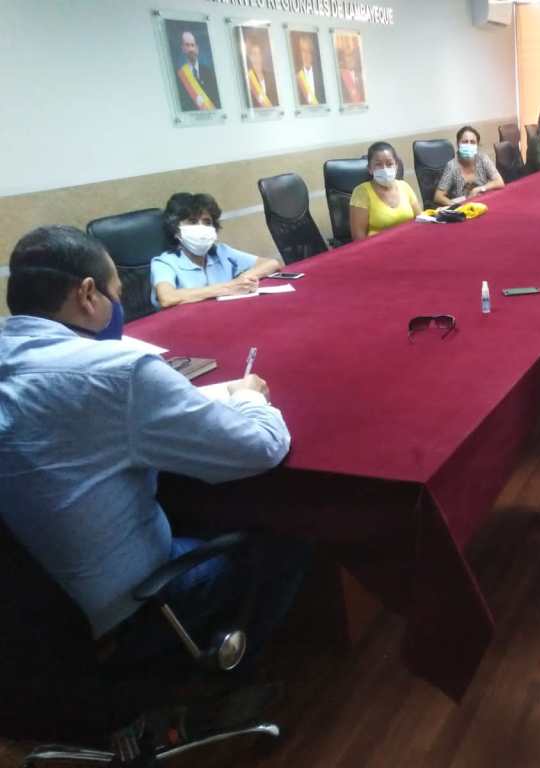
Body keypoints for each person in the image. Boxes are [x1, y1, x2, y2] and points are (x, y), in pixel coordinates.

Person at [0, 225, 308, 665]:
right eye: (115, 293)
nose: (119, 305)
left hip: (37, 616)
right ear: (87, 294)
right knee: (292, 532)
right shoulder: (118, 371)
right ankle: (229, 675)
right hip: (134, 606)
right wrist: (248, 397)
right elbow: (261, 447)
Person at [151, 193, 281, 309]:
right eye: (192, 221)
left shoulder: (221, 252)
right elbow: (167, 298)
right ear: (175, 230)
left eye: (207, 222)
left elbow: (272, 264)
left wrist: (244, 279)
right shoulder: (164, 262)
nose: (201, 228)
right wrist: (228, 287)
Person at [349, 141, 423, 240]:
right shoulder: (361, 192)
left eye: (389, 164)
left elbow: (420, 220)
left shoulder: (405, 186)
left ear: (396, 166)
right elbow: (358, 237)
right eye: (378, 164)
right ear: (370, 169)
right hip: (378, 246)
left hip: (410, 241)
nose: (384, 169)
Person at [434, 126, 505, 206]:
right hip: (463, 207)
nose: (469, 145)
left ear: (477, 145)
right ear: (458, 144)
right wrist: (457, 206)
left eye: (472, 142)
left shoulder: (482, 159)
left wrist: (480, 188)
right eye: (465, 142)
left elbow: (499, 182)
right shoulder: (452, 166)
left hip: (482, 204)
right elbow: (438, 197)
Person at [175, 30, 220, 112]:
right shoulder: (180, 76)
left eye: (192, 45)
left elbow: (216, 99)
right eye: (187, 45)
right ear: (183, 49)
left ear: (197, 48)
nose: (191, 49)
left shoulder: (208, 72)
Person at [245, 39, 278, 109]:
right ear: (250, 57)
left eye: (259, 54)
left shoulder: (271, 76)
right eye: (254, 54)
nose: (257, 58)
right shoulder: (248, 80)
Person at [294, 34, 324, 106]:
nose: (306, 55)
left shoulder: (321, 76)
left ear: (313, 54)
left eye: (309, 51)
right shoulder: (296, 78)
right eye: (303, 51)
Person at [335, 34, 366, 105]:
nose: (351, 58)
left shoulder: (361, 74)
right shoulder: (342, 76)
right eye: (348, 55)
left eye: (353, 54)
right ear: (343, 58)